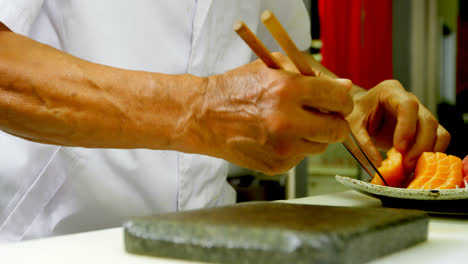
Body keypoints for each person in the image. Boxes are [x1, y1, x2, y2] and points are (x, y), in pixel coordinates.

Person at [0, 0, 450, 242]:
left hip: (213, 241)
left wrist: (348, 104)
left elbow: (282, 64)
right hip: (44, 241)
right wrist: (197, 111)